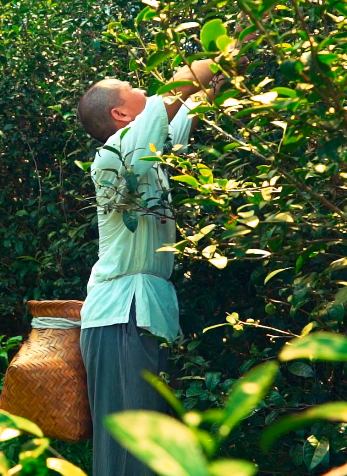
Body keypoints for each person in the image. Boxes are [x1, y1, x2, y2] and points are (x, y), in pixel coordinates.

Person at [75, 56, 227, 476]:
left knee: (148, 448)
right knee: (130, 451)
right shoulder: (117, 152)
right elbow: (180, 89)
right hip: (121, 316)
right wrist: (228, 44)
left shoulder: (146, 149)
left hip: (140, 314)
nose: (139, 85)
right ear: (121, 113)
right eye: (127, 84)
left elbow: (195, 103)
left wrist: (227, 71)